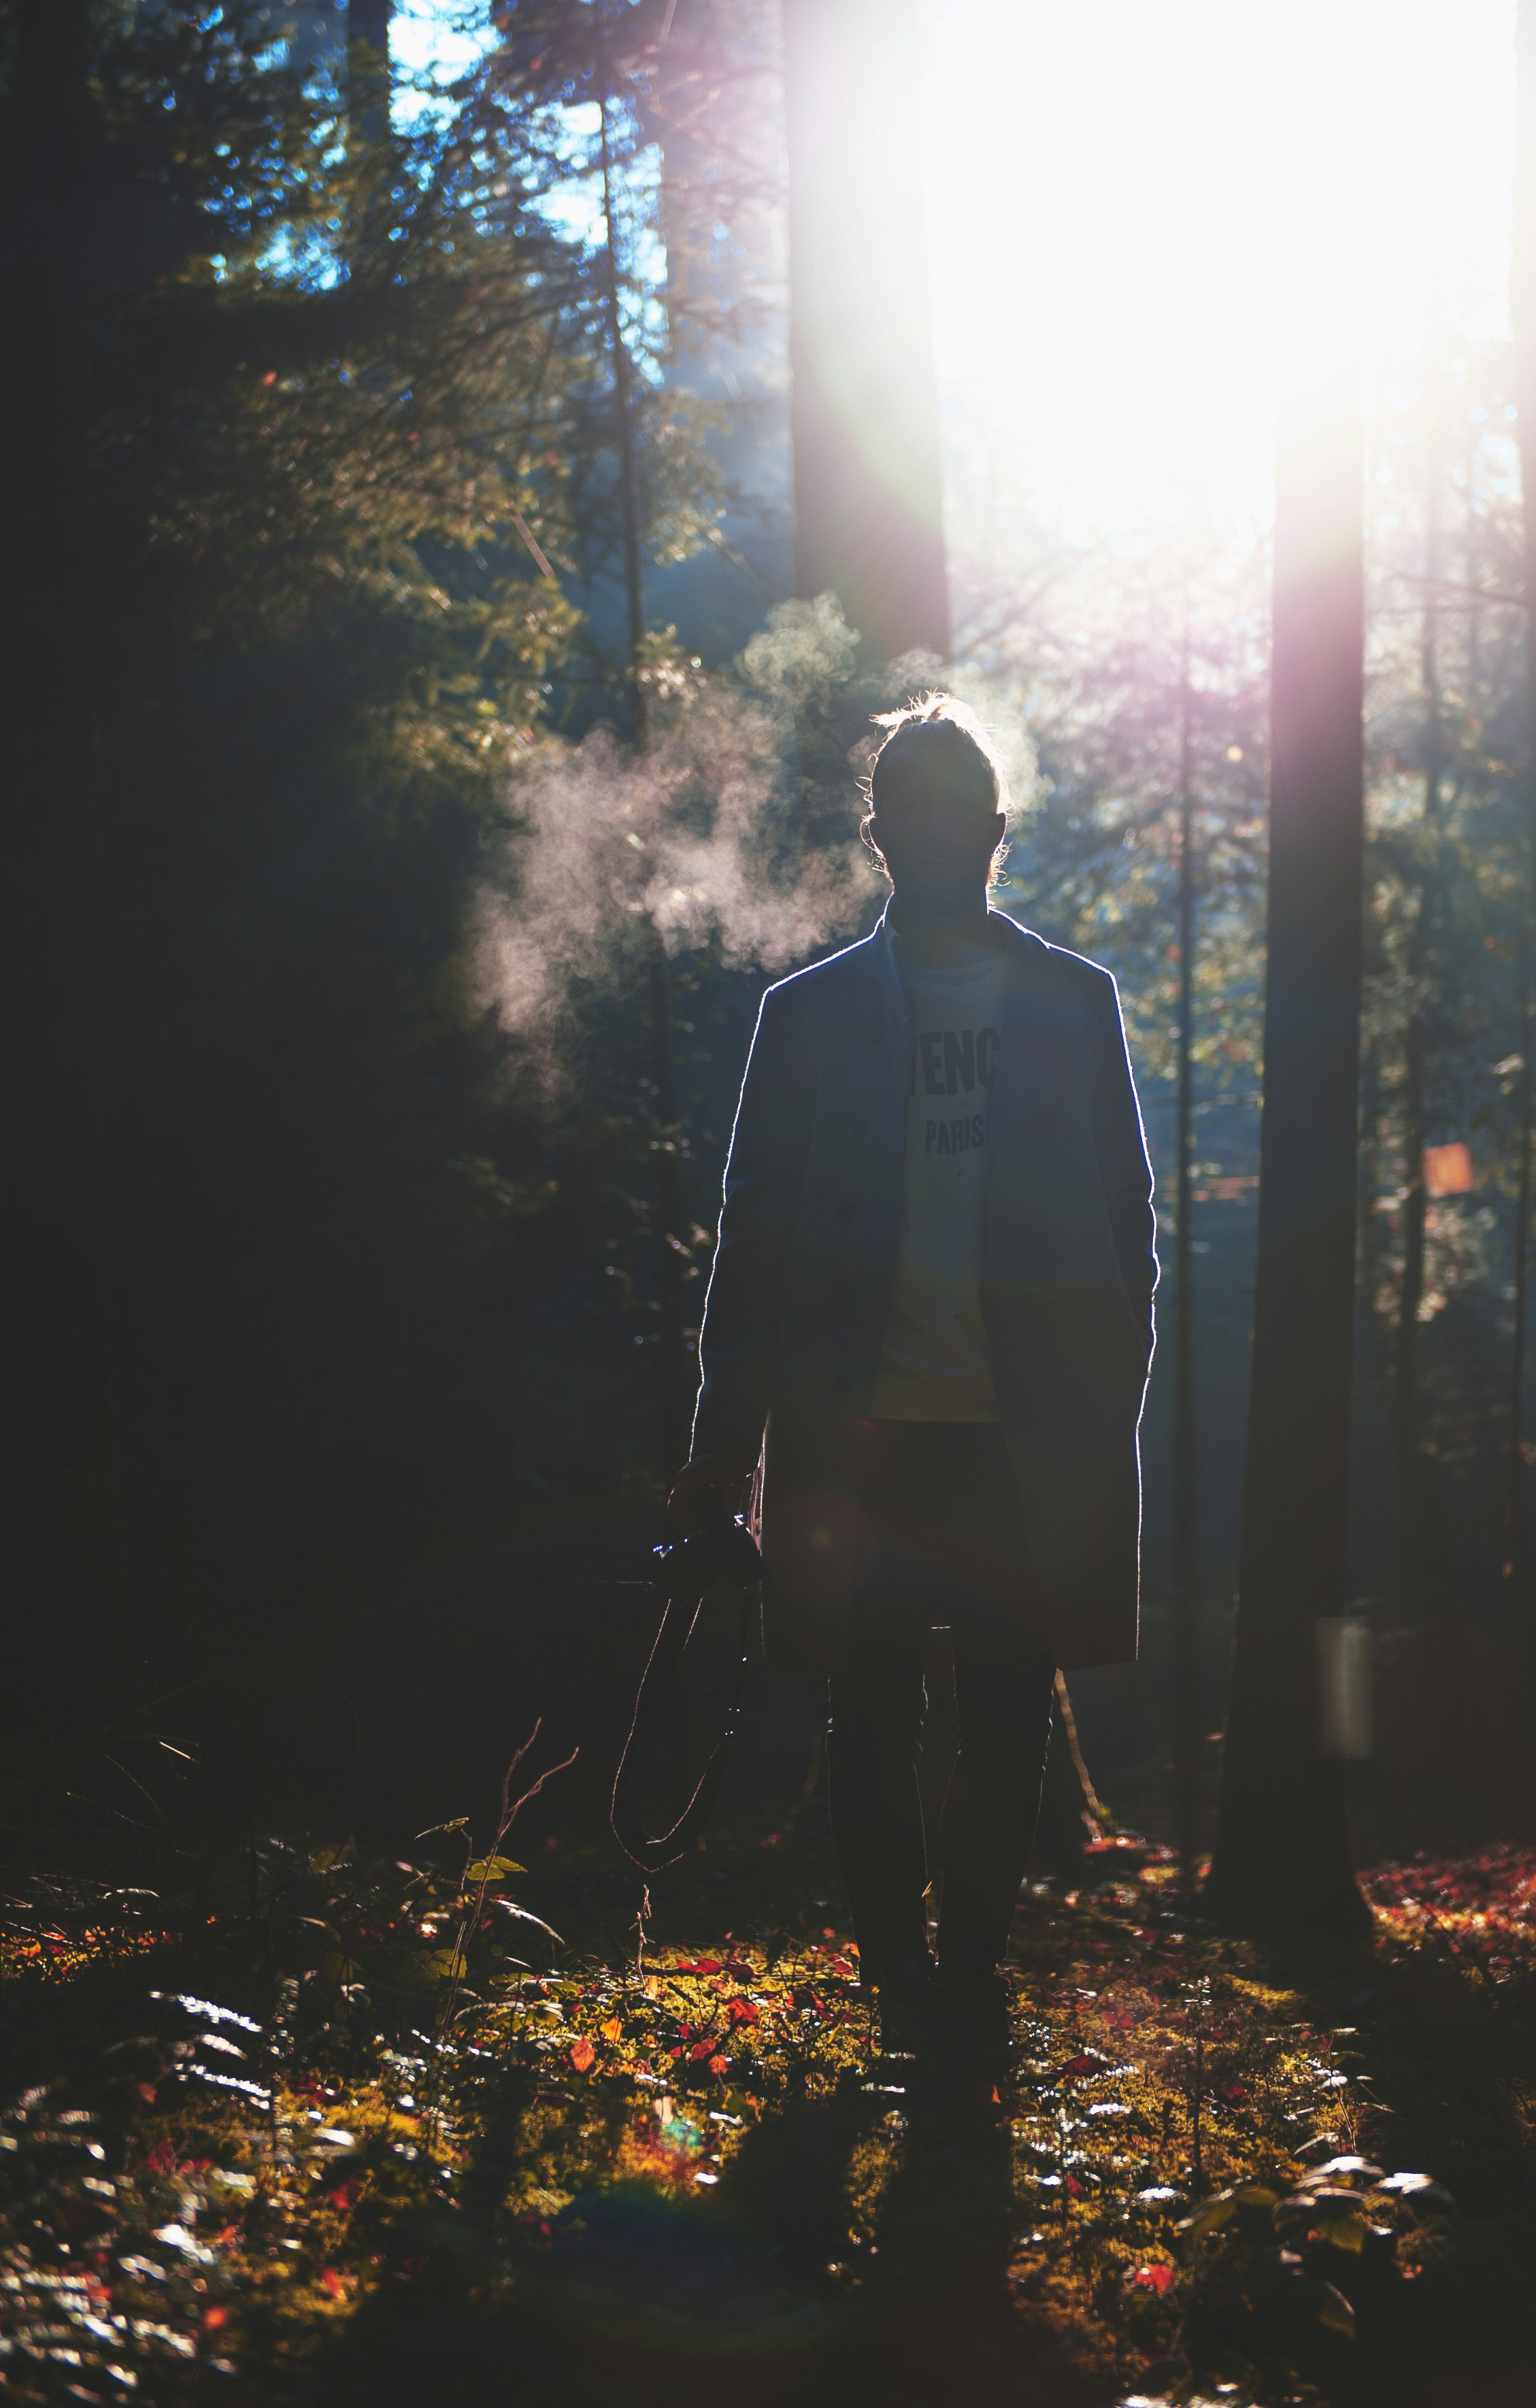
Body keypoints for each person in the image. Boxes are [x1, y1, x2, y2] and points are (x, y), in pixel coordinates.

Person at [669, 695, 1157, 2027]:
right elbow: (754, 1241)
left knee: (1001, 1722)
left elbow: (1130, 1235)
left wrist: (1096, 1418)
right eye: (914, 812)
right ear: (880, 833)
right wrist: (722, 1446)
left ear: (996, 832)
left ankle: (974, 1982)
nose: (938, 836)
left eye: (960, 813)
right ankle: (899, 1985)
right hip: (859, 1439)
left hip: (1015, 1440)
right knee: (872, 1721)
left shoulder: (1073, 1002)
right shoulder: (810, 1016)